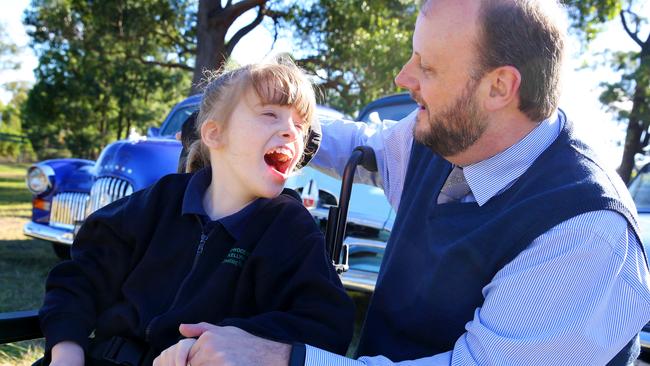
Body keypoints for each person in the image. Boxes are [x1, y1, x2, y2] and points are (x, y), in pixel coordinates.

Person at [155, 0, 650, 365]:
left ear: (499, 87)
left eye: (427, 66)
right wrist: (244, 121)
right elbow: (357, 146)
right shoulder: (436, 139)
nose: (402, 77)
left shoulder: (586, 233)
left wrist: (287, 358)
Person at [37, 59, 354, 366]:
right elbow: (79, 278)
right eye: (270, 114)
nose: (291, 132)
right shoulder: (161, 200)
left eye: (300, 125)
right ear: (215, 134)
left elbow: (328, 326)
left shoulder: (288, 229)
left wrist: (229, 343)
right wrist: (66, 352)